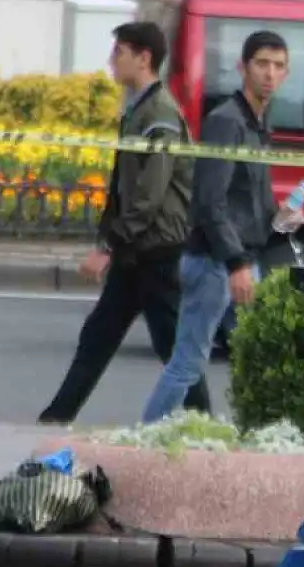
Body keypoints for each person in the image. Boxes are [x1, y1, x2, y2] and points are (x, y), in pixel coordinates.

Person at [38, 21, 209, 425]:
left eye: (119, 52)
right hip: (137, 250)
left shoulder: (160, 114)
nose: (112, 61)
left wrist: (108, 246)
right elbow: (123, 187)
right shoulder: (138, 108)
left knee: (174, 348)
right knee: (98, 337)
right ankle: (55, 418)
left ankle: (209, 425)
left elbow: (150, 195)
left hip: (157, 251)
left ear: (143, 58)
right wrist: (110, 239)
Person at [140, 31, 295, 424]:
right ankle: (144, 438)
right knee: (187, 363)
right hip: (217, 263)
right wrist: (237, 263)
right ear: (243, 67)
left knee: (255, 354)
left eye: (278, 66)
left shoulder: (257, 121)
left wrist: (280, 216)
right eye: (262, 64)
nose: (270, 74)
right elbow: (210, 201)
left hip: (238, 258)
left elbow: (248, 195)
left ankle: (247, 432)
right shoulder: (226, 121)